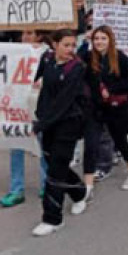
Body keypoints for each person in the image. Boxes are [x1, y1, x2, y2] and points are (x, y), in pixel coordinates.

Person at [32, 29, 92, 237]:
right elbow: (31, 75)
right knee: (54, 161)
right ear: (55, 45)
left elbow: (63, 102)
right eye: (66, 45)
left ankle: (52, 218)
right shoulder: (47, 59)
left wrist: (40, 124)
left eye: (73, 45)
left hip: (68, 122)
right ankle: (79, 193)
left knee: (55, 170)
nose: (70, 49)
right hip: (48, 121)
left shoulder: (77, 68)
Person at [76, 26, 128, 211]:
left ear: (110, 40)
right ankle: (88, 187)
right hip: (94, 109)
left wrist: (112, 89)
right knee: (91, 145)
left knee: (120, 142)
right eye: (96, 38)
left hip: (115, 108)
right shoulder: (89, 57)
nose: (99, 42)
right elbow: (77, 61)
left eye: (103, 38)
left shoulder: (119, 57)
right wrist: (84, 42)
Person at [1, 29, 51, 208]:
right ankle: (17, 189)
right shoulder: (15, 52)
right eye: (23, 33)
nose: (25, 37)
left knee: (43, 146)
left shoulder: (48, 54)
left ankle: (46, 184)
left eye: (30, 33)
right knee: (16, 148)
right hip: (17, 108)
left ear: (39, 35)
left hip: (38, 107)